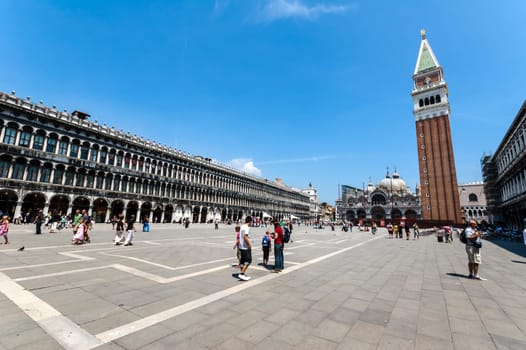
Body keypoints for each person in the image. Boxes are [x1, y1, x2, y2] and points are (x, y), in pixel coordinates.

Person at [238, 216, 253, 281]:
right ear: (250, 221)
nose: (251, 223)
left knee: (242, 261)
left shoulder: (242, 226)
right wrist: (249, 245)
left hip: (241, 246)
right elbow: (245, 237)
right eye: (251, 222)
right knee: (248, 261)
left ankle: (242, 273)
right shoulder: (247, 227)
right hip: (245, 247)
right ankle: (241, 274)